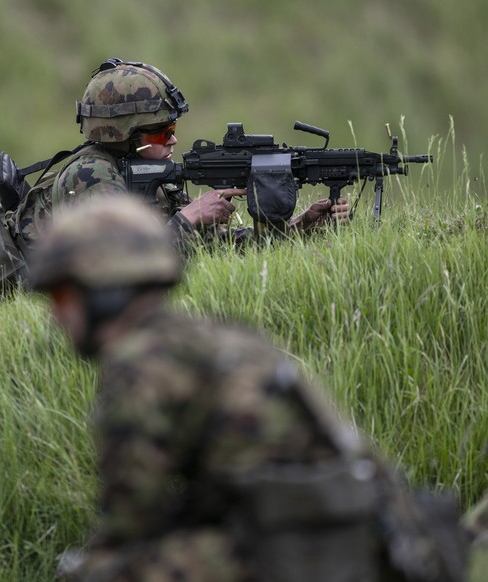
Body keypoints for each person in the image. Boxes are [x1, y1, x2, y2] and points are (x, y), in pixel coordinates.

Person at [30, 194, 462, 581]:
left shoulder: (141, 366)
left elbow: (128, 520)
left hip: (307, 551)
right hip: (367, 539)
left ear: (106, 294)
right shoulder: (215, 337)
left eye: (62, 298)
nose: (55, 316)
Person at [12, 58, 350, 255]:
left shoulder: (152, 178)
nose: (173, 139)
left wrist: (300, 226)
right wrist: (190, 217)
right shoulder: (90, 175)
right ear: (125, 134)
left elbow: (213, 251)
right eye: (162, 132)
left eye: (172, 128)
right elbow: (119, 265)